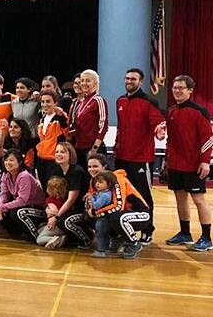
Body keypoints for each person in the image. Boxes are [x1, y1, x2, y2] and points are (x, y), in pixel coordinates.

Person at [158, 75, 213, 251]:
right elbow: (171, 140)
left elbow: (208, 139)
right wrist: (167, 160)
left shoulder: (199, 111)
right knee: (180, 199)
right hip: (175, 165)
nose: (177, 91)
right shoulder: (172, 111)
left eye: (181, 88)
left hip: (194, 165)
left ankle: (206, 237)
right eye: (175, 88)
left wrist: (205, 162)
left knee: (199, 200)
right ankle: (185, 233)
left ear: (190, 90)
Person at [113, 68, 164, 244]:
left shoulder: (149, 102)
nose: (129, 81)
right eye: (127, 78)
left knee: (143, 196)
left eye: (133, 79)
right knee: (123, 195)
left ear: (140, 82)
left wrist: (159, 131)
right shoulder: (120, 100)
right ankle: (125, 230)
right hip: (121, 157)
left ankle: (148, 230)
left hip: (141, 159)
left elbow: (158, 123)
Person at [85, 155, 150, 258]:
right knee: (89, 218)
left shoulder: (117, 179)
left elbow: (118, 206)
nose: (92, 169)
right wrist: (91, 210)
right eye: (89, 167)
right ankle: (116, 239)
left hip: (140, 213)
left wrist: (95, 212)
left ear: (104, 167)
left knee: (116, 217)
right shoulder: (94, 181)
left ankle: (134, 244)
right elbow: (90, 200)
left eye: (95, 166)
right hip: (118, 213)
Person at [36, 142, 92, 249]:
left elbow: (71, 200)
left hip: (78, 209)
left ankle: (86, 238)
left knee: (63, 222)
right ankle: (65, 238)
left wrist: (56, 217)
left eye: (63, 152)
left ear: (70, 155)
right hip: (62, 209)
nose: (59, 154)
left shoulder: (77, 171)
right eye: (57, 152)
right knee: (40, 229)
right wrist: (49, 209)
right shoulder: (56, 170)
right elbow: (51, 195)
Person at [0, 149, 46, 242]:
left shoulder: (24, 176)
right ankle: (17, 234)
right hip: (25, 206)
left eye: (11, 160)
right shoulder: (6, 175)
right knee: (0, 211)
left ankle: (36, 236)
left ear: (20, 162)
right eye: (6, 160)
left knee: (17, 213)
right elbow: (4, 195)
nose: (8, 162)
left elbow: (22, 200)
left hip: (38, 208)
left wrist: (3, 207)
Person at [70, 69, 108, 164]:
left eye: (88, 80)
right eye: (82, 80)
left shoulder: (98, 100)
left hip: (93, 149)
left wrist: (95, 148)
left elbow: (103, 126)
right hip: (79, 148)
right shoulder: (81, 102)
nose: (83, 83)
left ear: (95, 83)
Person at [35, 90, 69, 190]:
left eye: (48, 101)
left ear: (55, 103)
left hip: (54, 160)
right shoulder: (42, 118)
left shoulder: (60, 117)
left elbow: (66, 129)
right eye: (43, 102)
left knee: (54, 189)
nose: (45, 104)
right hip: (41, 159)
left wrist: (61, 114)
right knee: (44, 187)